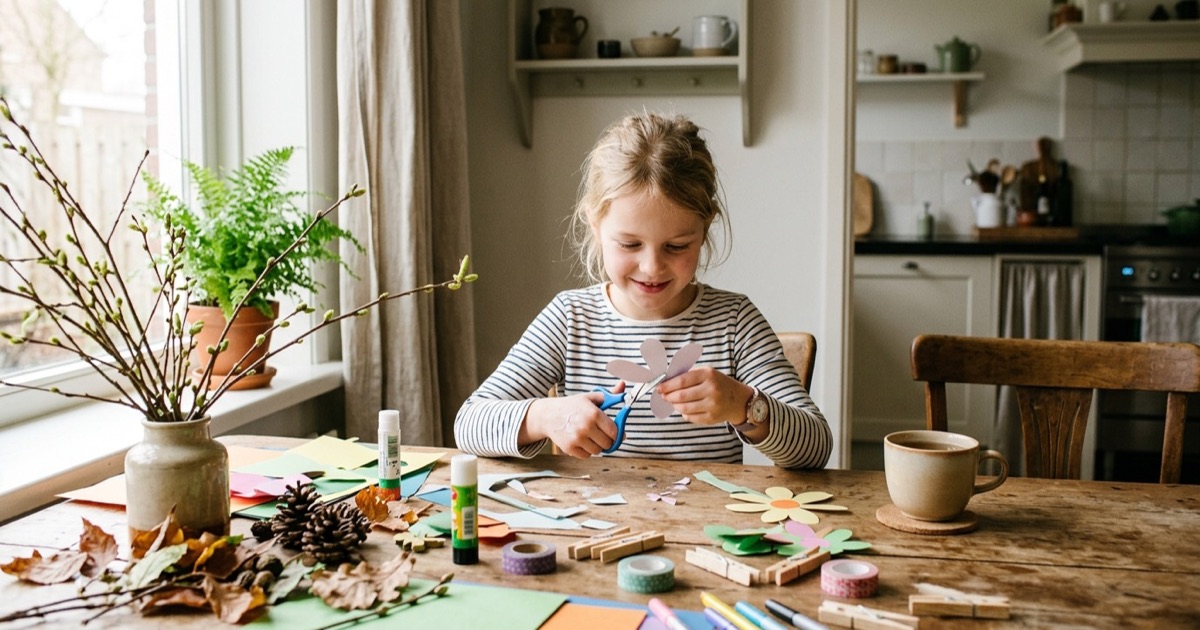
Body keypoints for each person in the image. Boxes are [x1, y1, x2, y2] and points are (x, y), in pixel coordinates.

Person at [454, 112, 832, 469]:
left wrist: (745, 405)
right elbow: (468, 425)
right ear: (596, 225)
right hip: (594, 530)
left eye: (677, 246)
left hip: (706, 535)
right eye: (630, 245)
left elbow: (815, 448)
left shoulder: (734, 322)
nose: (652, 267)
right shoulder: (569, 319)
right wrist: (543, 416)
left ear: (704, 229)